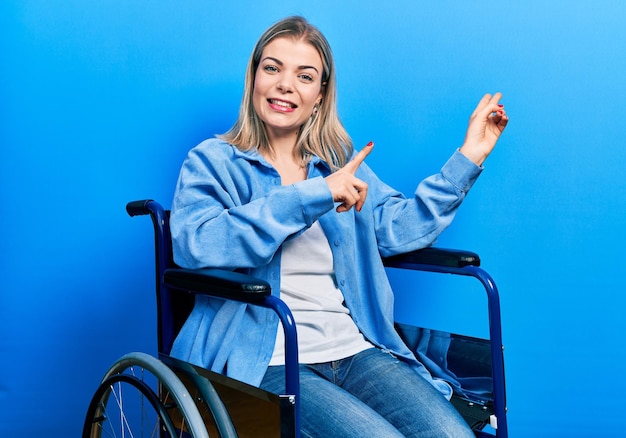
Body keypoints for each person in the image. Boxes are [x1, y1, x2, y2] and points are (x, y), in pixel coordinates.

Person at [169, 16, 508, 438]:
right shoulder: (214, 161)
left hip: (355, 349)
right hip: (267, 360)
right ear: (254, 77)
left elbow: (398, 229)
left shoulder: (336, 160)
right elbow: (194, 244)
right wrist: (315, 194)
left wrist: (468, 157)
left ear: (319, 95)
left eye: (304, 76)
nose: (285, 84)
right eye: (272, 68)